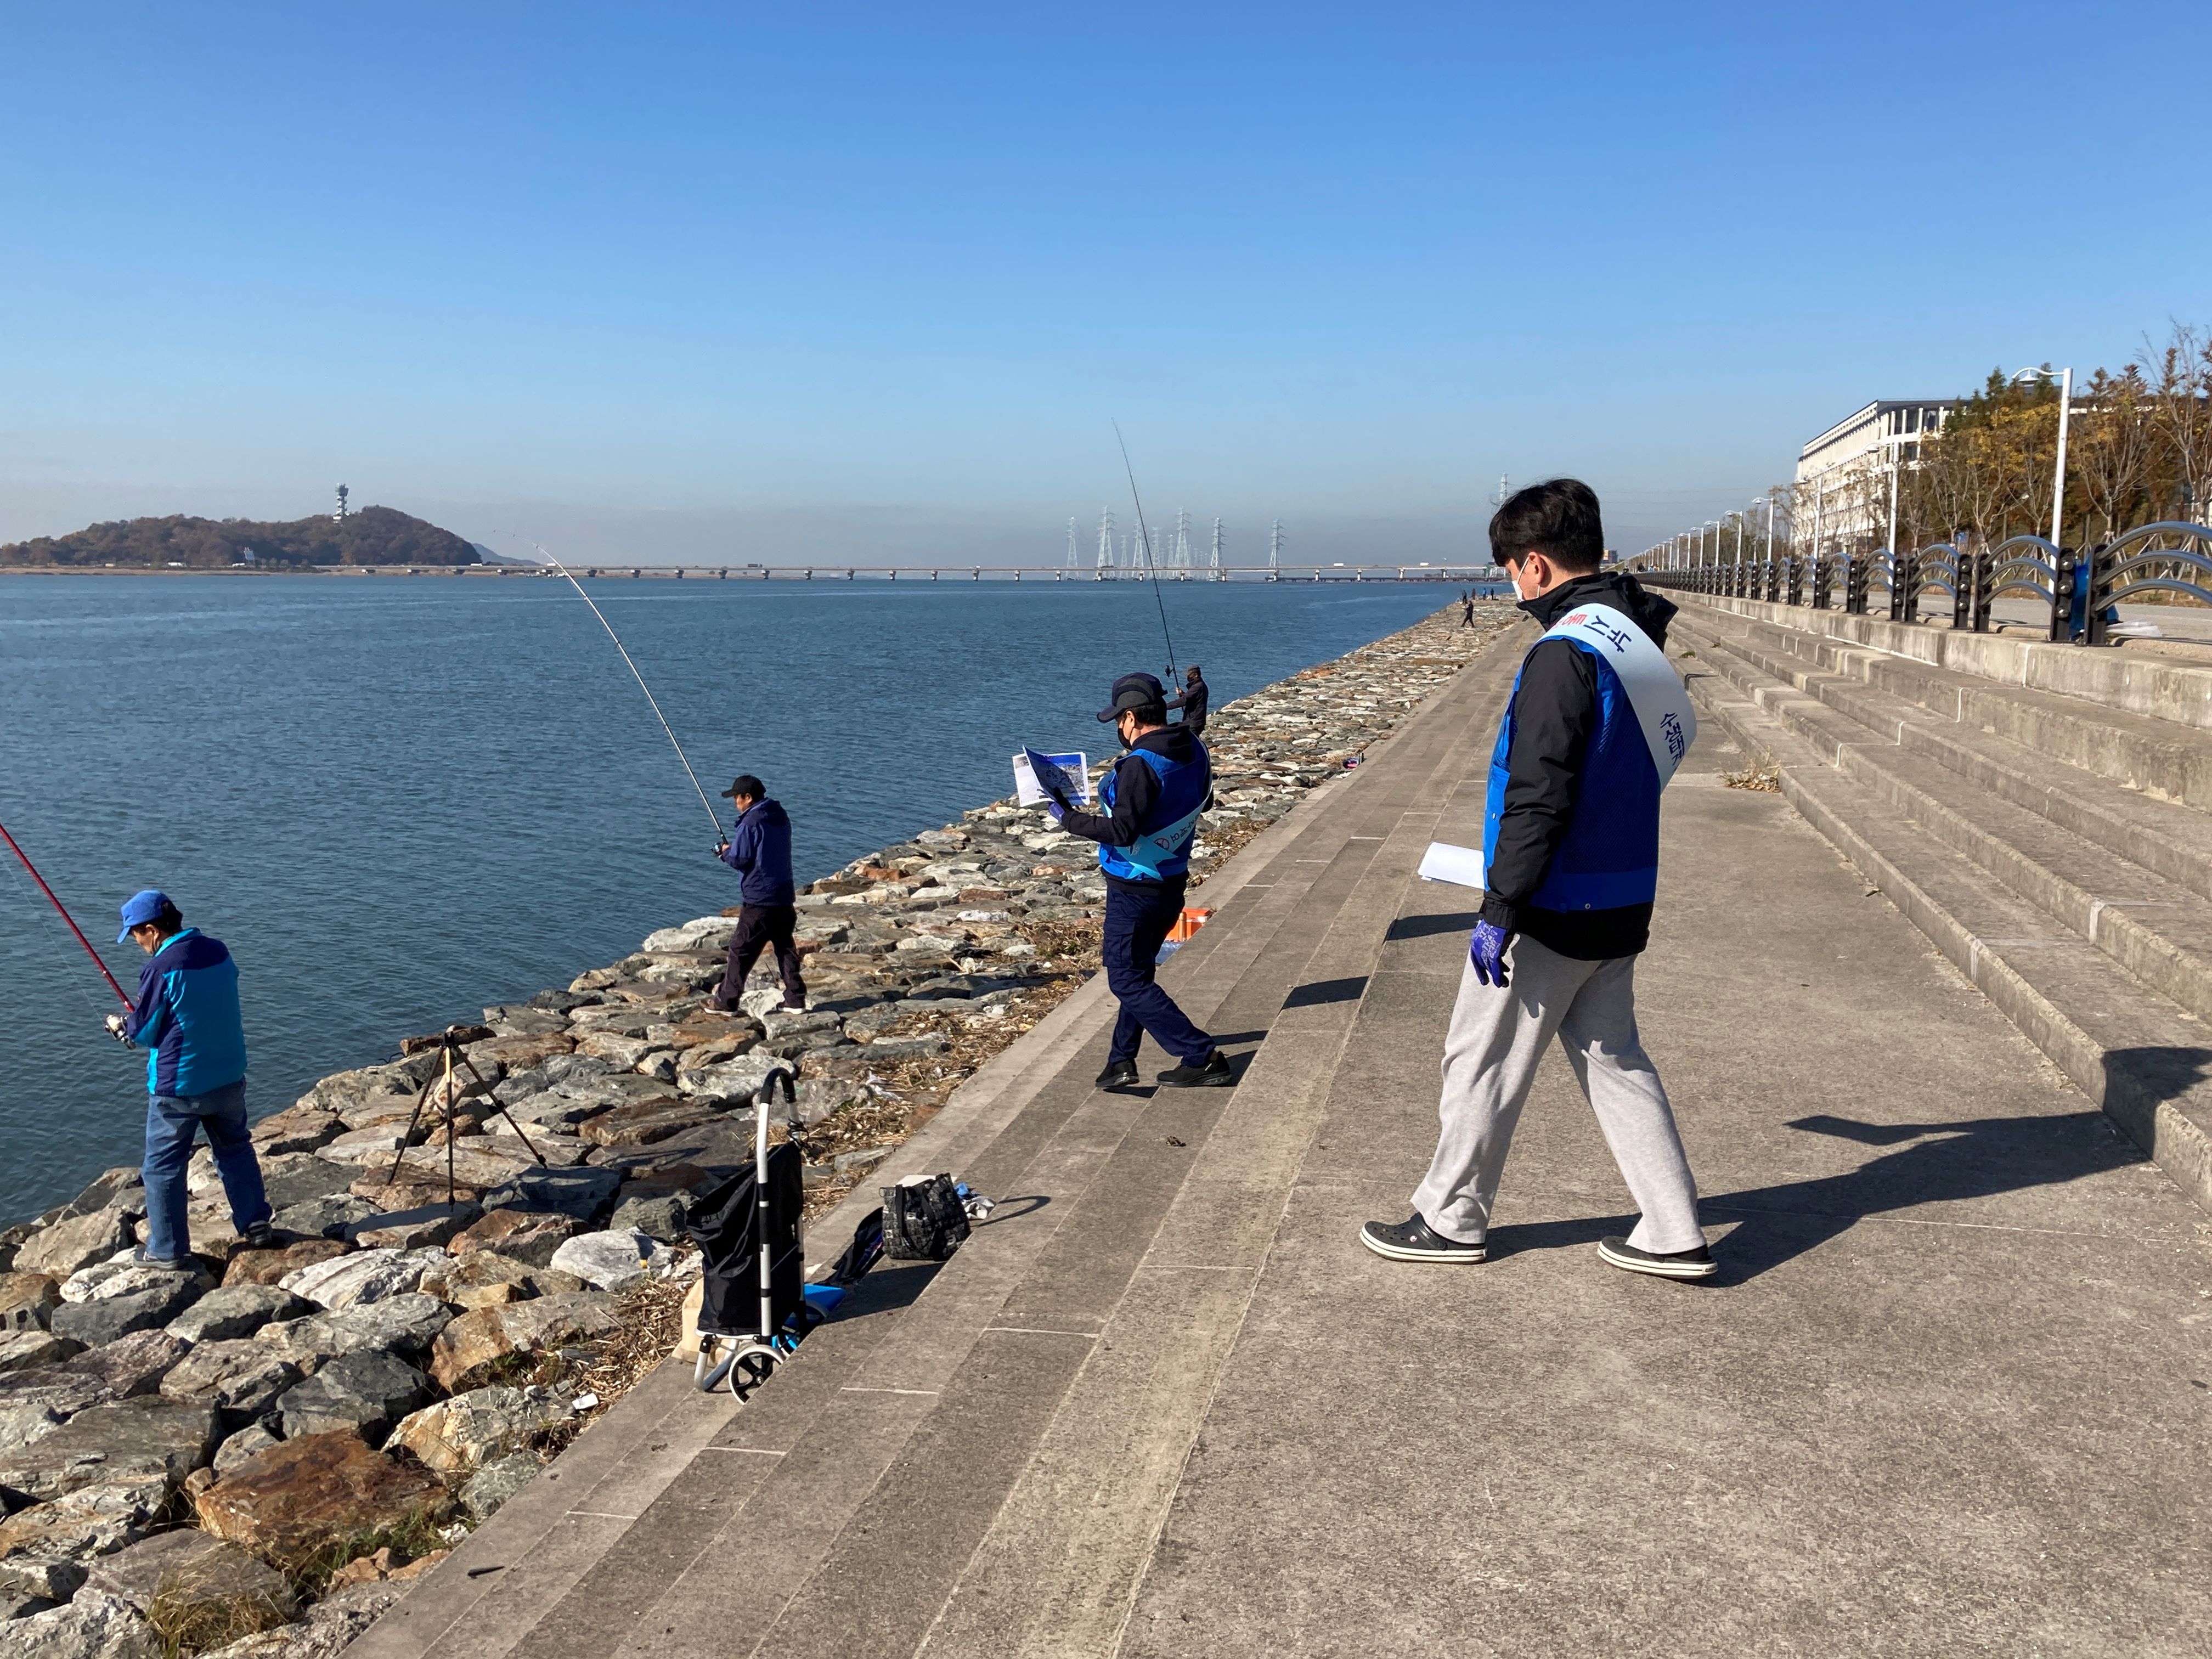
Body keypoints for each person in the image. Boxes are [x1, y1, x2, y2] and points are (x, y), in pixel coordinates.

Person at [1361, 479, 1714, 1280]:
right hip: (1623, 893)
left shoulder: (1564, 653)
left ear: (1534, 564)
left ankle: (1450, 1219)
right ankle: (1673, 1228)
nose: (1510, 584)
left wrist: (1501, 907)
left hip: (1552, 902)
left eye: (1509, 568)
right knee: (1617, 1063)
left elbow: (1538, 795)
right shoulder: (1635, 639)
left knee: (1480, 1059)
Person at [1046, 673, 1234, 1090]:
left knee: (1126, 979)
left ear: (1131, 718)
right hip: (1171, 879)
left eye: (1118, 720)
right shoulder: (1193, 746)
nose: (1118, 728)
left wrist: (1066, 818)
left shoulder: (1139, 765)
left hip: (1134, 888)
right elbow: (1205, 801)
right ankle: (1121, 1061)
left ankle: (1202, 1056)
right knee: (1139, 974)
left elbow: (1123, 831)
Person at [104, 890, 272, 1267]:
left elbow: (145, 1032)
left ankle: (167, 1250)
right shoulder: (218, 951)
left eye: (136, 934)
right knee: (235, 1149)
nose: (137, 943)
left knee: (162, 1167)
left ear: (152, 930)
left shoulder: (161, 967)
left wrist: (122, 1025)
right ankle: (256, 1222)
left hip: (180, 1086)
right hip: (228, 1073)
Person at [710, 774, 807, 1013]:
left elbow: (741, 859)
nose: (735, 802)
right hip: (783, 893)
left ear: (748, 797)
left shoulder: (750, 823)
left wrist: (724, 853)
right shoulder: (780, 815)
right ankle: (795, 999)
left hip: (759, 899)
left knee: (739, 950)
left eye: (737, 797)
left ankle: (726, 1002)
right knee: (784, 946)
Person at [1166, 663, 1210, 736]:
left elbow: (1183, 701)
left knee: (1188, 741)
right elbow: (1192, 699)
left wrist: (1164, 707)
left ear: (1196, 675)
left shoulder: (1197, 687)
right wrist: (1183, 694)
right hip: (1196, 721)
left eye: (1190, 675)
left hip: (1194, 722)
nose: (1188, 677)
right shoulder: (1200, 685)